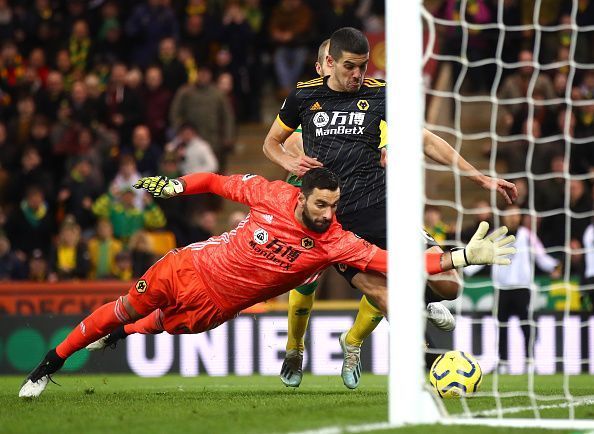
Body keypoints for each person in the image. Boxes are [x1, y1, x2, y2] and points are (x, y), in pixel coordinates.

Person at [19, 168, 515, 398]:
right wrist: (177, 185)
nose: (327, 214)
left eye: (333, 207)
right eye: (320, 205)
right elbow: (215, 182)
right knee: (126, 307)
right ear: (301, 197)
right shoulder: (269, 193)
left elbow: (395, 261)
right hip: (189, 268)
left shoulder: (335, 242)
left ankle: (122, 334)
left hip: (215, 307)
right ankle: (47, 367)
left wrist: (462, 255)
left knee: (162, 327)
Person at [262, 27, 518, 389]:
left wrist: (480, 179)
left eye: (363, 66)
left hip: (384, 211)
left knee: (449, 286)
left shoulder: (380, 95)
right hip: (334, 223)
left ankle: (380, 325)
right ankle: (297, 347)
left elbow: (424, 139)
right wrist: (291, 162)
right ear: (328, 63)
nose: (358, 75)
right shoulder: (304, 98)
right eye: (350, 67)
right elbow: (273, 143)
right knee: (349, 289)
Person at [465, 204, 560, 373]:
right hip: (501, 289)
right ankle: (503, 362)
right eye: (509, 214)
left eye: (515, 214)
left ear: (520, 217)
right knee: (501, 326)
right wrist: (466, 268)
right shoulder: (495, 236)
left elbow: (541, 256)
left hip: (522, 288)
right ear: (503, 216)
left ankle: (529, 360)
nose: (512, 217)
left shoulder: (527, 235)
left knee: (526, 325)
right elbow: (480, 256)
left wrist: (555, 266)